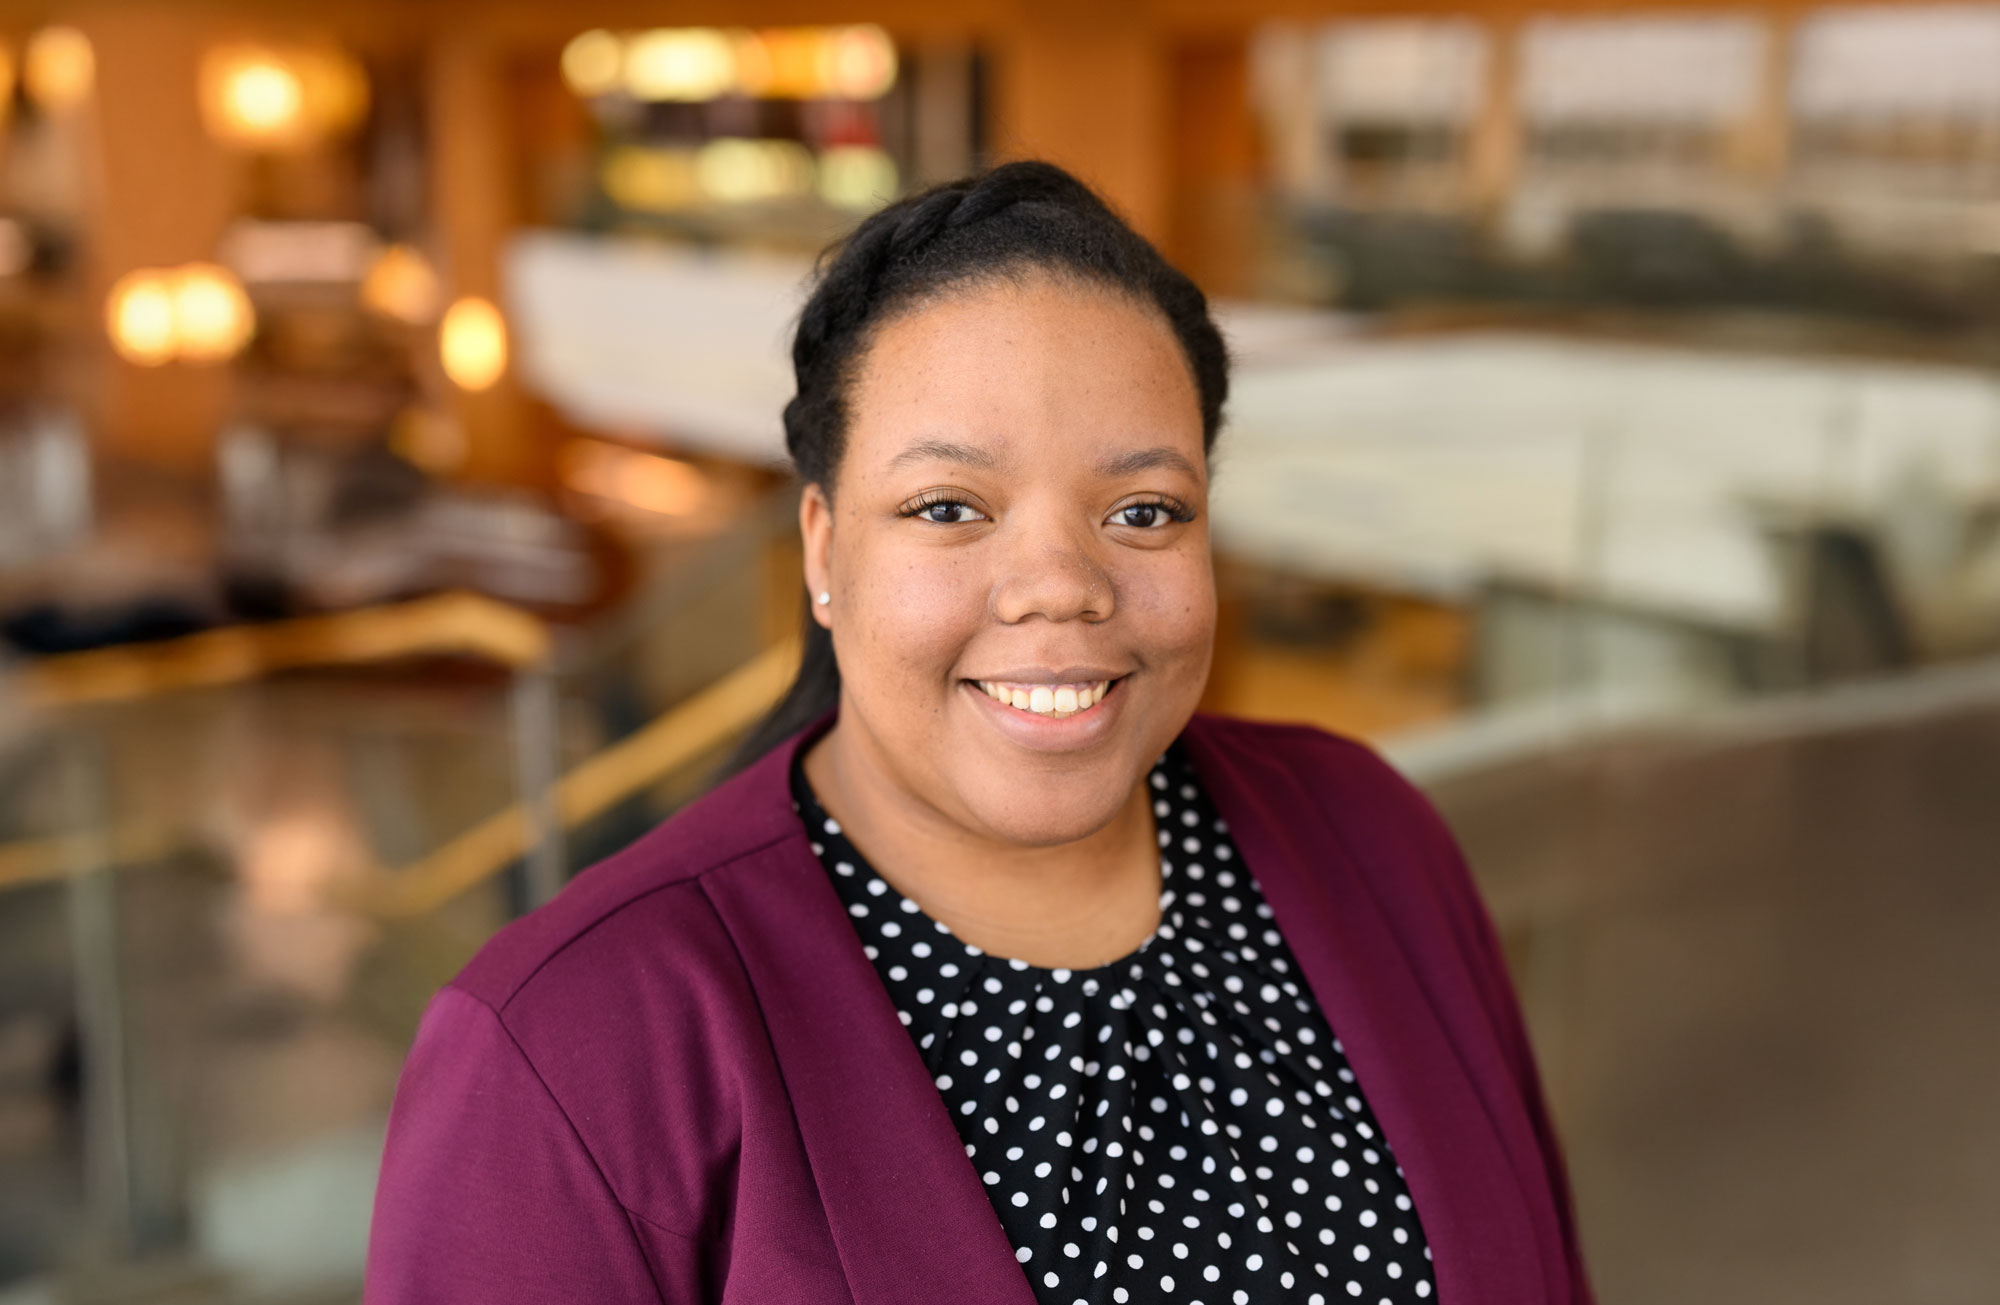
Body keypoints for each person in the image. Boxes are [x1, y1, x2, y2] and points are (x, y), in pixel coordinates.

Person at [363, 161, 1592, 1305]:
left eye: (1144, 509)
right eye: (948, 506)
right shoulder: (570, 1044)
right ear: (824, 549)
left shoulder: (1365, 833)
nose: (1060, 584)